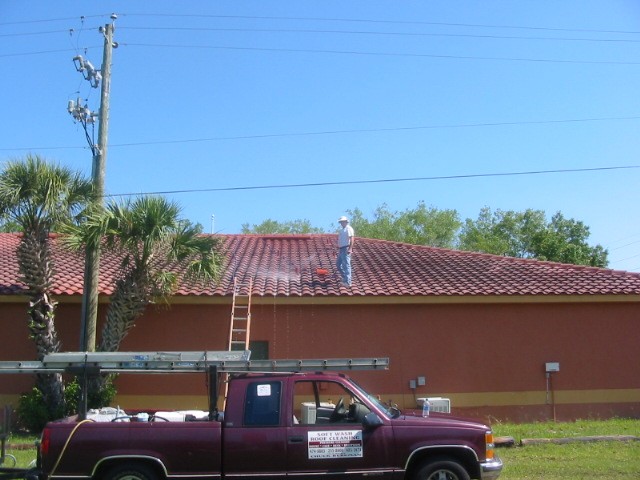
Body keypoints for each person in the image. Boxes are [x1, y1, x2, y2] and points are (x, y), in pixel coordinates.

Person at [336, 216, 355, 286]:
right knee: (338, 265)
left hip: (346, 248)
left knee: (346, 265)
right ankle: (345, 277)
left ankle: (348, 282)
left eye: (342, 222)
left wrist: (350, 248)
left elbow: (352, 238)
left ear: (346, 222)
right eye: (341, 222)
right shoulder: (341, 230)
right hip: (341, 249)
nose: (341, 223)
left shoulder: (349, 228)